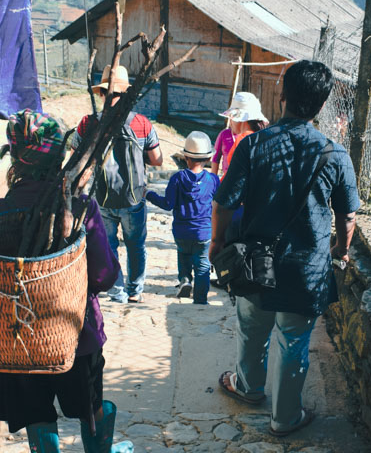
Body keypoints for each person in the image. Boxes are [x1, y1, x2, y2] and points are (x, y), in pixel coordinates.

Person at [0, 110, 133, 453]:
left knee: (35, 409)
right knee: (89, 401)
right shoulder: (80, 210)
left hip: (17, 338)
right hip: (76, 335)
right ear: (58, 159)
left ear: (14, 160)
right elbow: (104, 277)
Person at [211, 60, 359, 437]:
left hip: (255, 261)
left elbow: (224, 201)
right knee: (293, 340)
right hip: (306, 268)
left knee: (251, 329)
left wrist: (216, 242)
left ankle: (248, 388)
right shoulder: (335, 155)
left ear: (282, 96)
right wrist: (341, 251)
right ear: (322, 105)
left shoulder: (254, 146)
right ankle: (284, 418)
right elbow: (347, 217)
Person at [75, 64, 163, 304]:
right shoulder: (142, 124)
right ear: (126, 94)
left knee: (109, 245)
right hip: (133, 198)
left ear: (102, 93)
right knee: (136, 245)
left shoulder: (88, 123)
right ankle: (135, 290)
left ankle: (117, 291)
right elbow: (157, 160)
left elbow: (74, 154)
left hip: (101, 197)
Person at [145, 131, 220, 304]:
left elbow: (167, 204)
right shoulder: (213, 180)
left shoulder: (177, 178)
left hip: (181, 231)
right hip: (204, 232)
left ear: (186, 157)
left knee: (183, 255)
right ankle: (200, 300)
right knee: (202, 265)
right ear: (207, 158)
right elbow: (218, 204)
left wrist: (148, 194)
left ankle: (185, 281)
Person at [212, 92, 268, 179]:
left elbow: (232, 178)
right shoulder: (261, 138)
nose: (230, 121)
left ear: (240, 118)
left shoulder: (242, 141)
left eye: (232, 116)